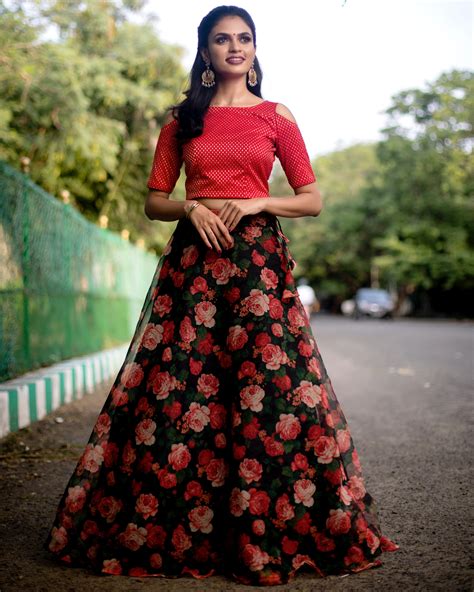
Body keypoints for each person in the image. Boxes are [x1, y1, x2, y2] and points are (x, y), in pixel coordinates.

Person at [43, 5, 399, 586]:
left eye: (244, 39)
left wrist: (259, 202)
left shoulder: (275, 116)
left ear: (255, 50)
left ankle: (271, 526)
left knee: (272, 390)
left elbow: (311, 199)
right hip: (194, 267)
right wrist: (192, 205)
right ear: (205, 52)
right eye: (221, 39)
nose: (235, 47)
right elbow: (154, 200)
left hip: (258, 268)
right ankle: (176, 531)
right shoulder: (182, 119)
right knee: (178, 389)